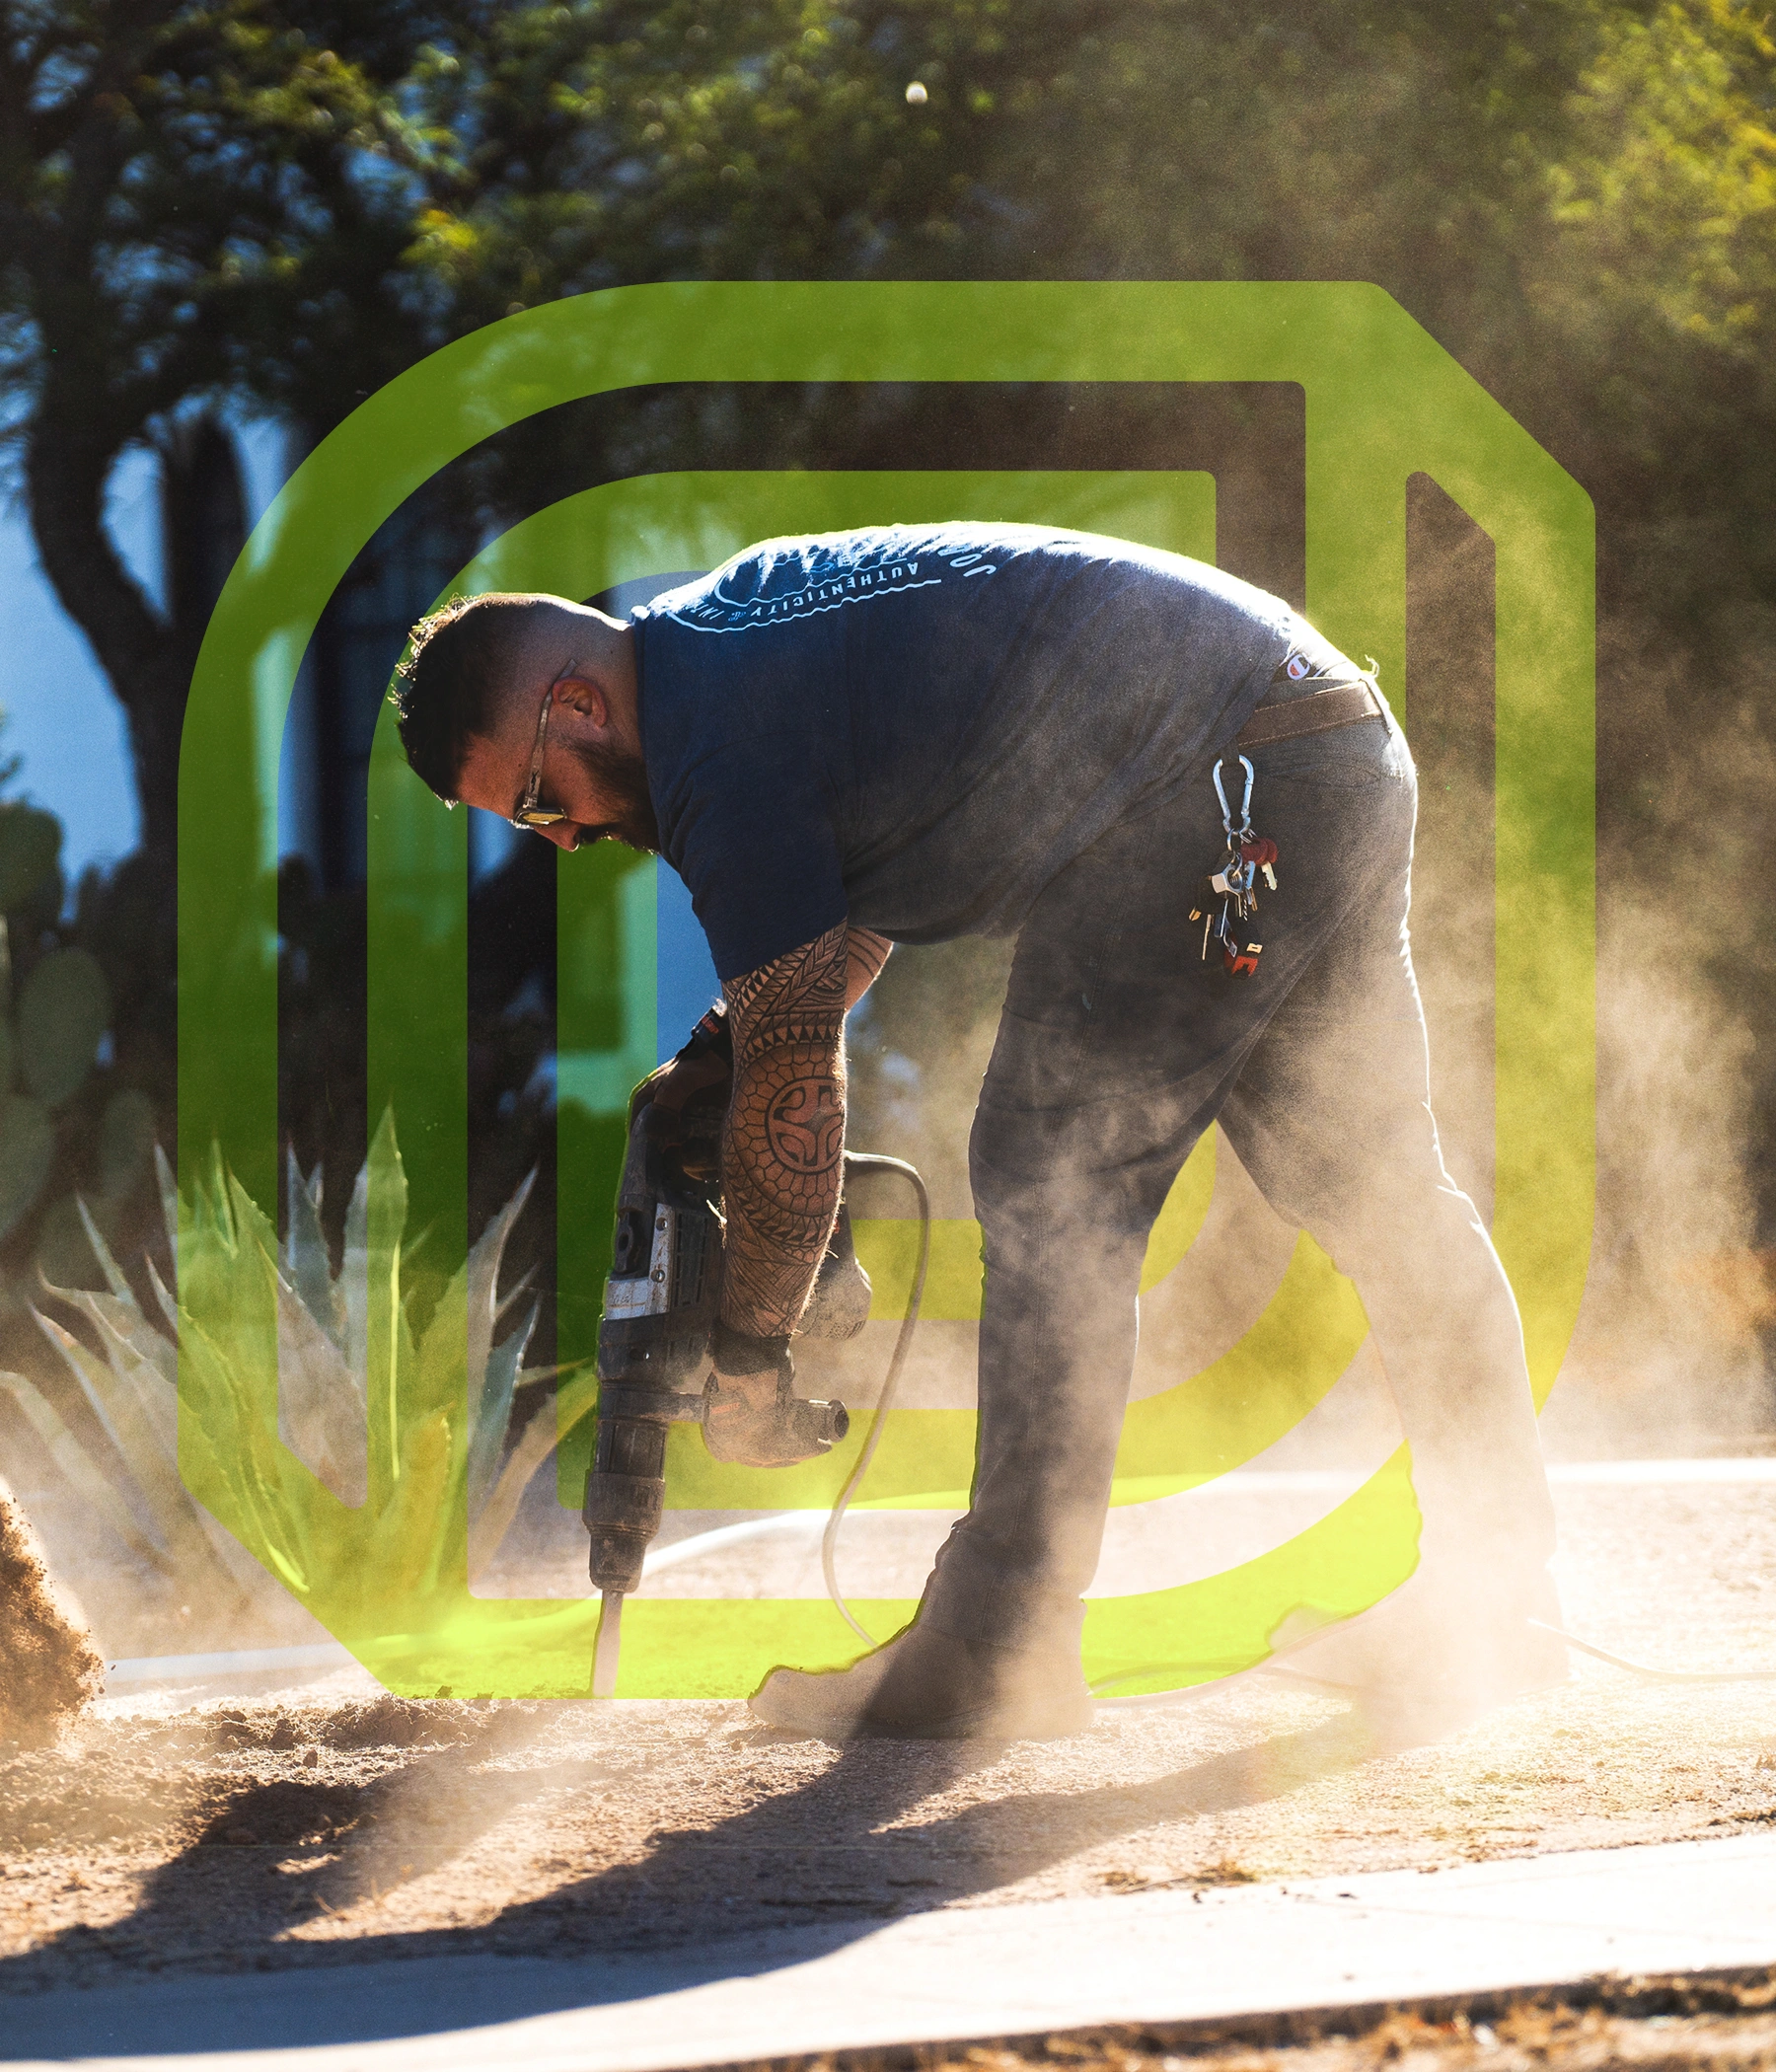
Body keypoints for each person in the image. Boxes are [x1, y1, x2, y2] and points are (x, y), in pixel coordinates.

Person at [391, 522, 1563, 1742]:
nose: (564, 841)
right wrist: (717, 1051)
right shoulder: (728, 648)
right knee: (1379, 1188)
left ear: (576, 705)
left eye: (538, 804)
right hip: (1323, 738)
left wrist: (747, 1350)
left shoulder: (711, 752)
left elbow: (801, 1080)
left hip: (1211, 777)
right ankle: (1497, 1600)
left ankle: (1000, 1646)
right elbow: (848, 919)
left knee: (1051, 1173)